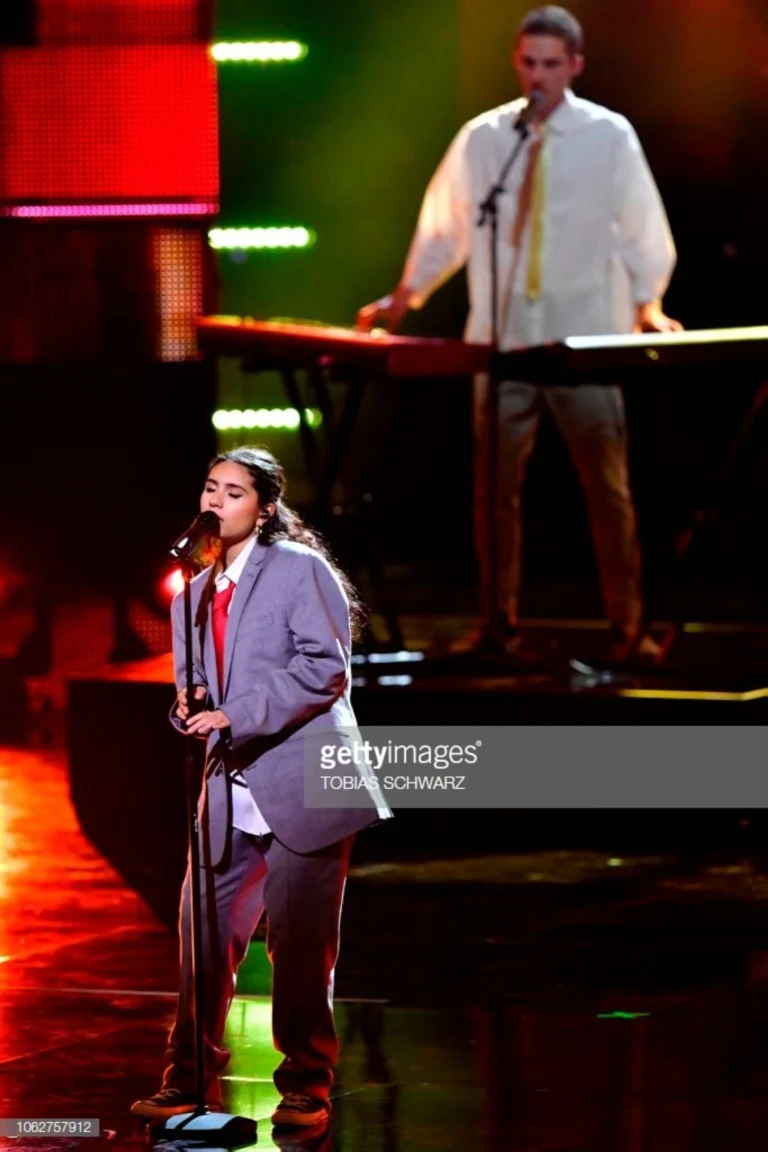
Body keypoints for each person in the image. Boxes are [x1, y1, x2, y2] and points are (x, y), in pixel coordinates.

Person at [357, 5, 681, 663]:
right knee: (492, 493)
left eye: (552, 65)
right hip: (504, 338)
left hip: (585, 339)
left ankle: (628, 627)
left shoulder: (608, 135)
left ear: (575, 66)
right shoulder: (486, 138)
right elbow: (447, 222)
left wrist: (648, 303)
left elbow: (643, 226)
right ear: (517, 62)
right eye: (529, 63)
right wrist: (408, 294)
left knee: (606, 490)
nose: (539, 77)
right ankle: (497, 624)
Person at [130, 446, 391, 1132]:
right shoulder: (191, 593)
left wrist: (237, 713)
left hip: (302, 777)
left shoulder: (298, 570)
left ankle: (306, 1084)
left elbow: (323, 670)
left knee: (301, 949)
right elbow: (194, 691)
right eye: (211, 488)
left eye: (234, 492)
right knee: (202, 935)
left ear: (265, 507)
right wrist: (186, 709)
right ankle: (186, 1077)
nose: (217, 502)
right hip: (227, 789)